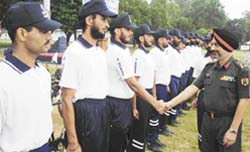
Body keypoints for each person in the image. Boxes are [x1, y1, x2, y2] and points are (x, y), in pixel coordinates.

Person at [167, 28, 250, 152]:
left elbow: (244, 100)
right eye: (212, 44)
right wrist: (169, 104)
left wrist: (233, 130)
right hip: (207, 121)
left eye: (216, 45)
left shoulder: (240, 70)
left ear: (226, 46)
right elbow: (192, 88)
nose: (211, 48)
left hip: (227, 123)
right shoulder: (209, 68)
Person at [0, 2, 62, 152]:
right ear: (22, 34)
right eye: (43, 30)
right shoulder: (3, 80)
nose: (49, 36)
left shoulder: (43, 74)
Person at [59, 0, 117, 152]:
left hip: (101, 110)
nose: (107, 25)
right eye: (103, 19)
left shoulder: (99, 52)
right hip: (86, 114)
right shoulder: (75, 52)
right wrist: (73, 142)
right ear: (89, 20)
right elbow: (66, 99)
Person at [106, 18, 167, 152]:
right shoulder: (117, 51)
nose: (131, 33)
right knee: (118, 142)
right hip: (117, 103)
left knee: (125, 138)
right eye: (127, 29)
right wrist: (154, 103)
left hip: (126, 101)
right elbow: (133, 83)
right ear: (116, 31)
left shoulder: (123, 50)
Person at [127, 24, 161, 152]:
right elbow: (135, 83)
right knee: (139, 131)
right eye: (148, 35)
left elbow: (151, 76)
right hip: (140, 96)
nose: (151, 38)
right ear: (141, 38)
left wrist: (154, 95)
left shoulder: (147, 55)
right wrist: (134, 106)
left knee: (145, 128)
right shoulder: (138, 55)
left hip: (148, 96)